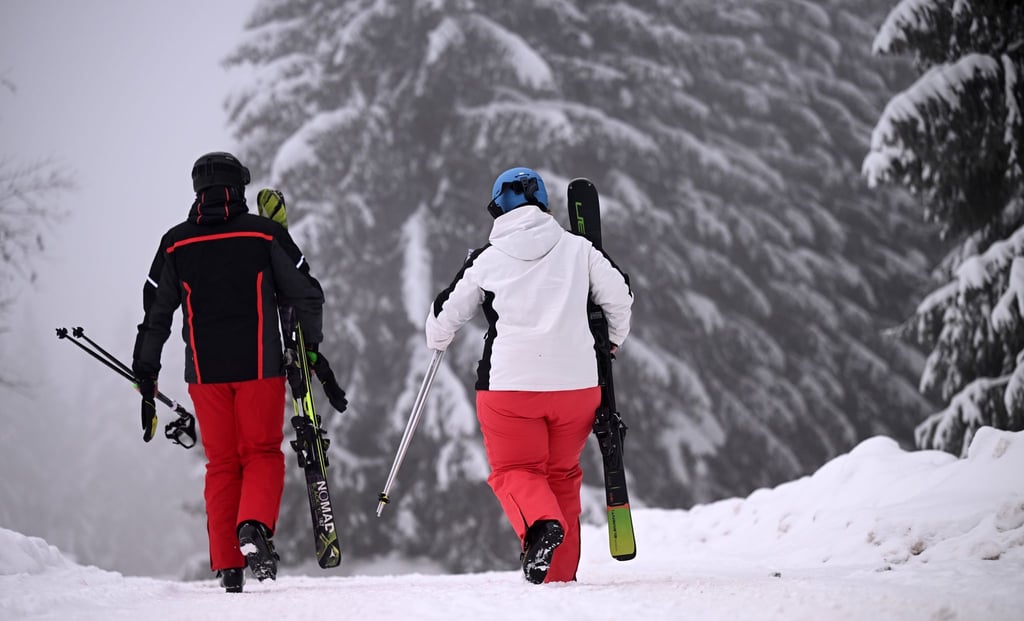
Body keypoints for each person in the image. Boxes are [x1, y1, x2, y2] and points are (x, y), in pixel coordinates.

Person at [132, 152, 337, 593]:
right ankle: (254, 528)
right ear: (239, 187)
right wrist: (309, 349)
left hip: (204, 375)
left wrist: (146, 373)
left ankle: (229, 566)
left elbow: (155, 314)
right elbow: (308, 294)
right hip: (260, 368)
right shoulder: (263, 234)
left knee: (222, 464)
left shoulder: (175, 244)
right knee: (261, 454)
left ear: (197, 190)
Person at [425, 167, 633, 584]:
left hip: (510, 389)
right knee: (562, 475)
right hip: (577, 387)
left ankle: (539, 525)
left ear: (497, 208)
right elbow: (620, 297)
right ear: (543, 203)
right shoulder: (580, 249)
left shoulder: (487, 259)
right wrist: (611, 342)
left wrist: (439, 335)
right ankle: (557, 580)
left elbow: (441, 321)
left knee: (515, 471)